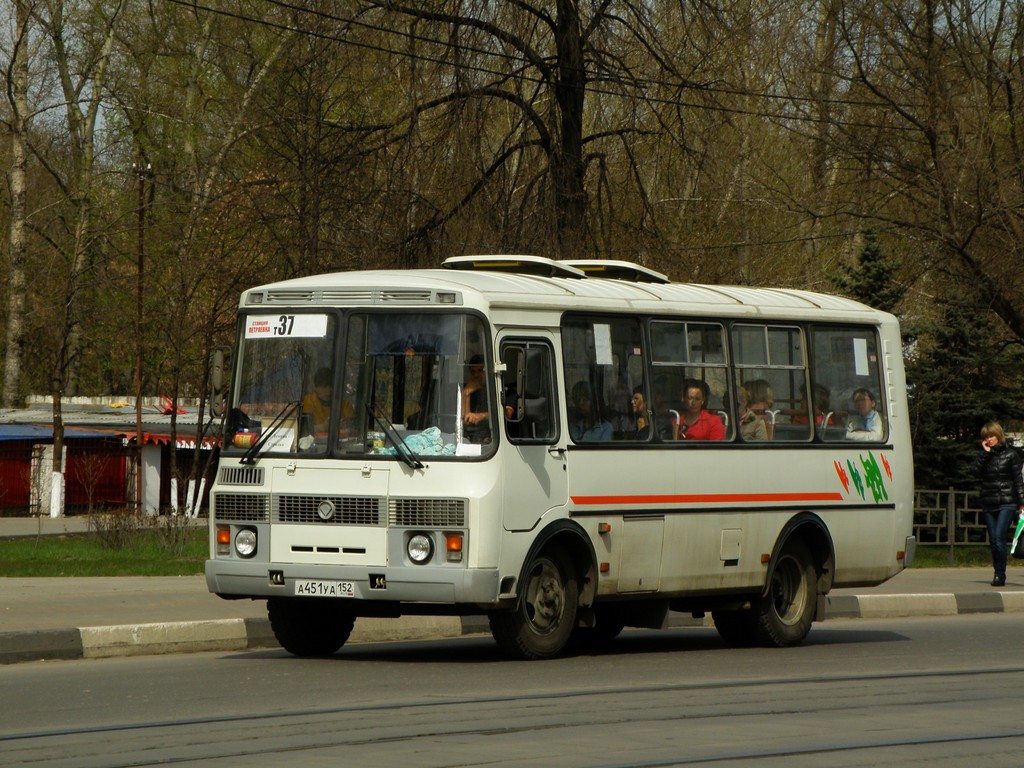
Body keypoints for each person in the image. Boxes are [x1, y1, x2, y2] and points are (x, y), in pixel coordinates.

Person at [971, 421, 1024, 587]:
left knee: (1000, 537)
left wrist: (1022, 501)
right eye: (986, 437)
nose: (989, 439)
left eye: (992, 436)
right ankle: (997, 571)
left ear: (998, 436)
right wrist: (984, 454)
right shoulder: (985, 455)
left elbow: (1018, 479)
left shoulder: (1011, 455)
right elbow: (975, 472)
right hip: (989, 502)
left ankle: (1000, 575)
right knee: (993, 540)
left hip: (1007, 502)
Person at [462, 355, 492, 442]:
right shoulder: (468, 390)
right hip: (473, 438)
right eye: (473, 372)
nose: (476, 375)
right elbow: (466, 420)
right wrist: (466, 394)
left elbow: (506, 414)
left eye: (480, 370)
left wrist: (482, 416)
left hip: (493, 438)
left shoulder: (498, 389)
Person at [302, 367, 334, 433]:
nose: (328, 391)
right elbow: (302, 430)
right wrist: (322, 427)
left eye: (331, 387)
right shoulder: (307, 402)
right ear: (315, 387)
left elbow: (353, 429)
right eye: (324, 387)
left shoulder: (345, 406)